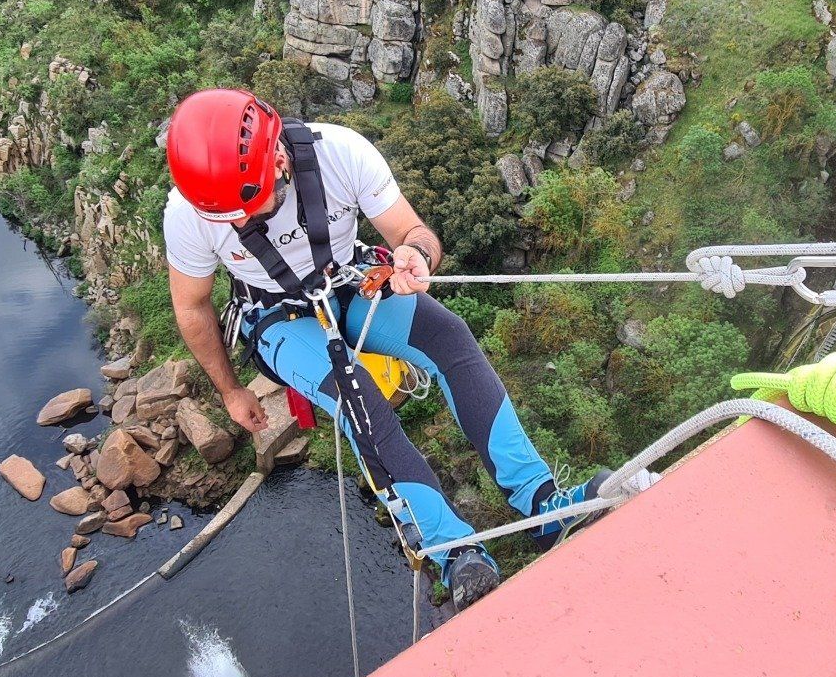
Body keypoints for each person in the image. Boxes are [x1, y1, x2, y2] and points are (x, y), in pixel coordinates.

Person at [161, 88, 611, 610]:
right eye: (227, 217)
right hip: (277, 317)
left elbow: (412, 231)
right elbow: (192, 307)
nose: (238, 223)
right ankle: (454, 550)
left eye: (246, 207)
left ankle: (543, 504)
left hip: (348, 279)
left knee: (449, 339)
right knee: (357, 398)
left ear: (278, 160)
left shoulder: (340, 153)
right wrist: (230, 390)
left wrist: (415, 254)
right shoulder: (190, 212)